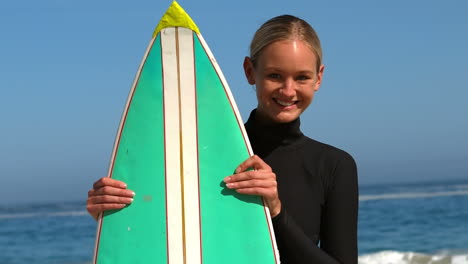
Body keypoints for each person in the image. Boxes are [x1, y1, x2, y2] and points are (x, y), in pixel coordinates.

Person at [87, 15, 358, 264]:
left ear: (318, 77)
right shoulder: (202, 155)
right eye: (274, 75)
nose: (288, 90)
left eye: (301, 77)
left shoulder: (334, 166)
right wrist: (113, 214)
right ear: (250, 71)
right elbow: (167, 234)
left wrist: (276, 210)